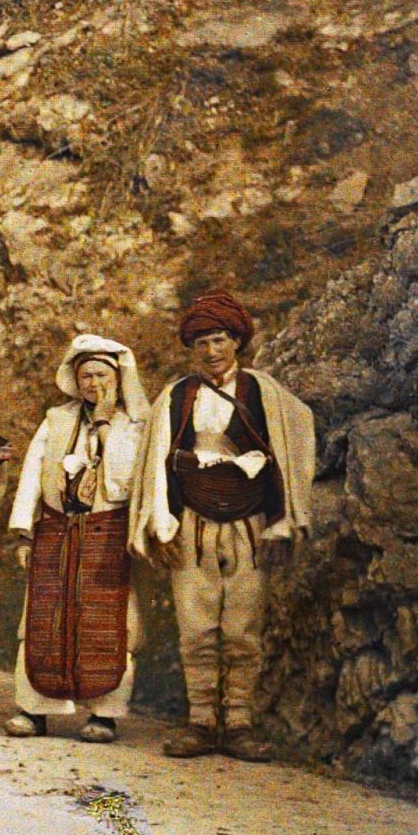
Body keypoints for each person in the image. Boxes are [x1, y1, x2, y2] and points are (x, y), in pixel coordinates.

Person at [129, 289, 316, 762]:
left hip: (251, 525)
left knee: (243, 628)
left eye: (219, 340)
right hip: (192, 524)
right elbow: (157, 461)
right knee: (195, 630)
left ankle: (238, 724)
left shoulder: (265, 392)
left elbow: (291, 455)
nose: (212, 352)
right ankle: (200, 723)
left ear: (237, 341)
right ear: (191, 350)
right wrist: (161, 526)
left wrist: (281, 524)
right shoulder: (176, 395)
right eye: (202, 344)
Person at [5, 334, 147, 743]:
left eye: (102, 374)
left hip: (109, 534)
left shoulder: (136, 424)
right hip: (56, 531)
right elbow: (33, 474)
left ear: (119, 379)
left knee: (109, 622)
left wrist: (104, 424)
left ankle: (104, 714)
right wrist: (24, 533)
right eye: (86, 375)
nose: (94, 383)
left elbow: (123, 482)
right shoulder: (57, 419)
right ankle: (34, 710)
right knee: (42, 617)